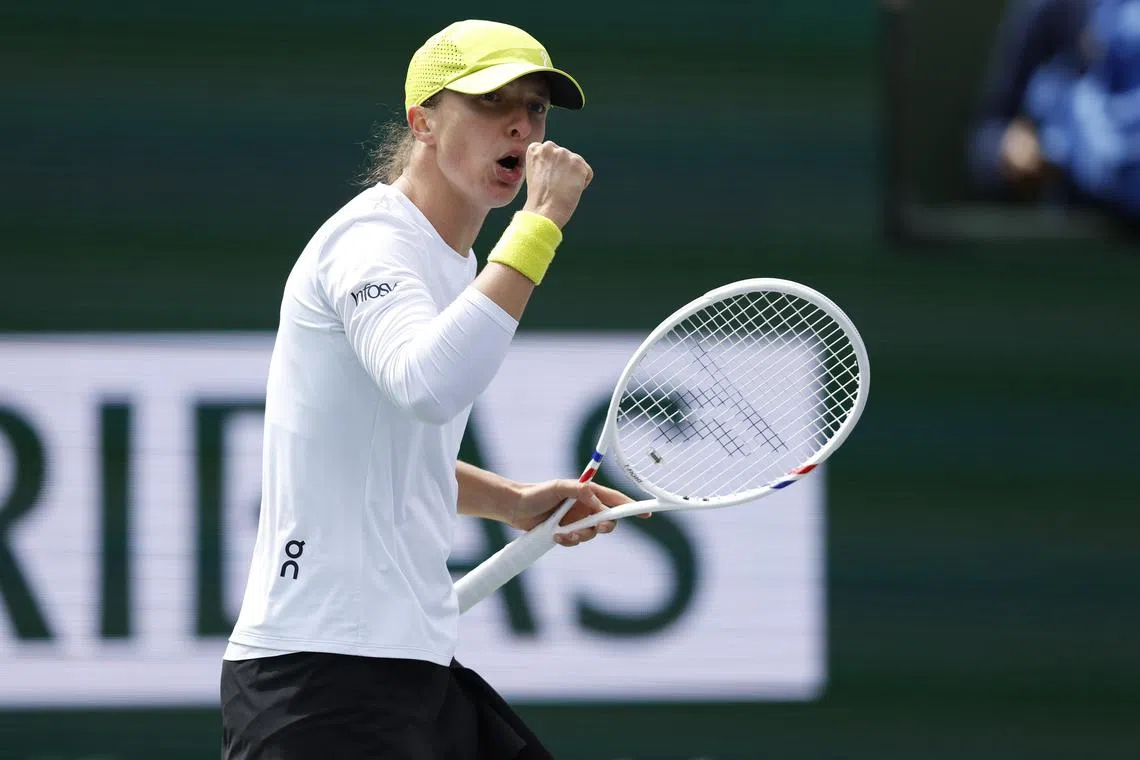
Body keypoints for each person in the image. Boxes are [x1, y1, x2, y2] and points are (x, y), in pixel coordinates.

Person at [220, 19, 634, 760]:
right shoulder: (369, 243)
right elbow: (428, 385)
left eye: (535, 107)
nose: (521, 125)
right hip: (321, 679)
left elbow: (385, 452)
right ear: (423, 123)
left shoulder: (458, 261)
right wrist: (541, 222)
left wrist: (510, 501)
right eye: (490, 101)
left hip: (411, 668)